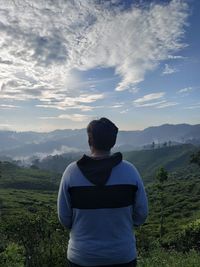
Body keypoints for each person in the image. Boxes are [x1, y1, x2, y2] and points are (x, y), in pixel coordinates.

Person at [57, 117, 148, 267]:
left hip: (81, 257)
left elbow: (65, 219)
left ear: (89, 140)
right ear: (113, 141)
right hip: (122, 256)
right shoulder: (130, 172)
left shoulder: (71, 173)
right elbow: (141, 216)